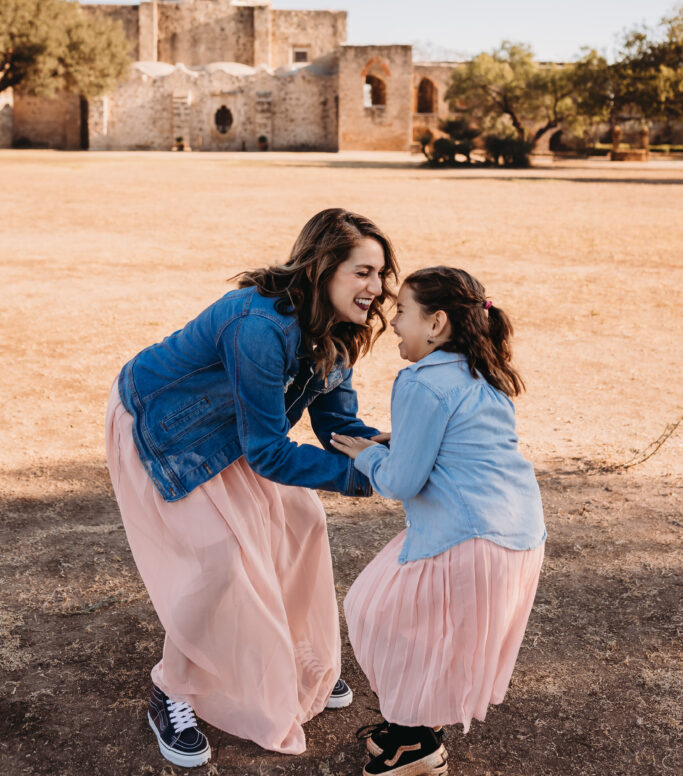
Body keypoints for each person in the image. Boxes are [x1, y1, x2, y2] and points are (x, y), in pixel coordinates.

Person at [105, 208, 398, 766]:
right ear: (322, 268)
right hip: (169, 425)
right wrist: (368, 480)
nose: (377, 288)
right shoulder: (258, 327)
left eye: (380, 273)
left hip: (235, 430)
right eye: (363, 272)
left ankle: (301, 662)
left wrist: (389, 450)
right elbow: (267, 452)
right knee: (219, 559)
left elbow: (338, 426)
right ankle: (169, 687)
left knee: (303, 519)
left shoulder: (337, 329)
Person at [332, 266, 546, 776]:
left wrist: (367, 455)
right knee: (428, 629)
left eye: (402, 312)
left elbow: (401, 483)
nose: (394, 323)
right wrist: (396, 441)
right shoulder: (480, 371)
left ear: (437, 323)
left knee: (375, 611)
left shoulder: (420, 382)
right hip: (516, 533)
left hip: (470, 535)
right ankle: (417, 729)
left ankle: (414, 746)